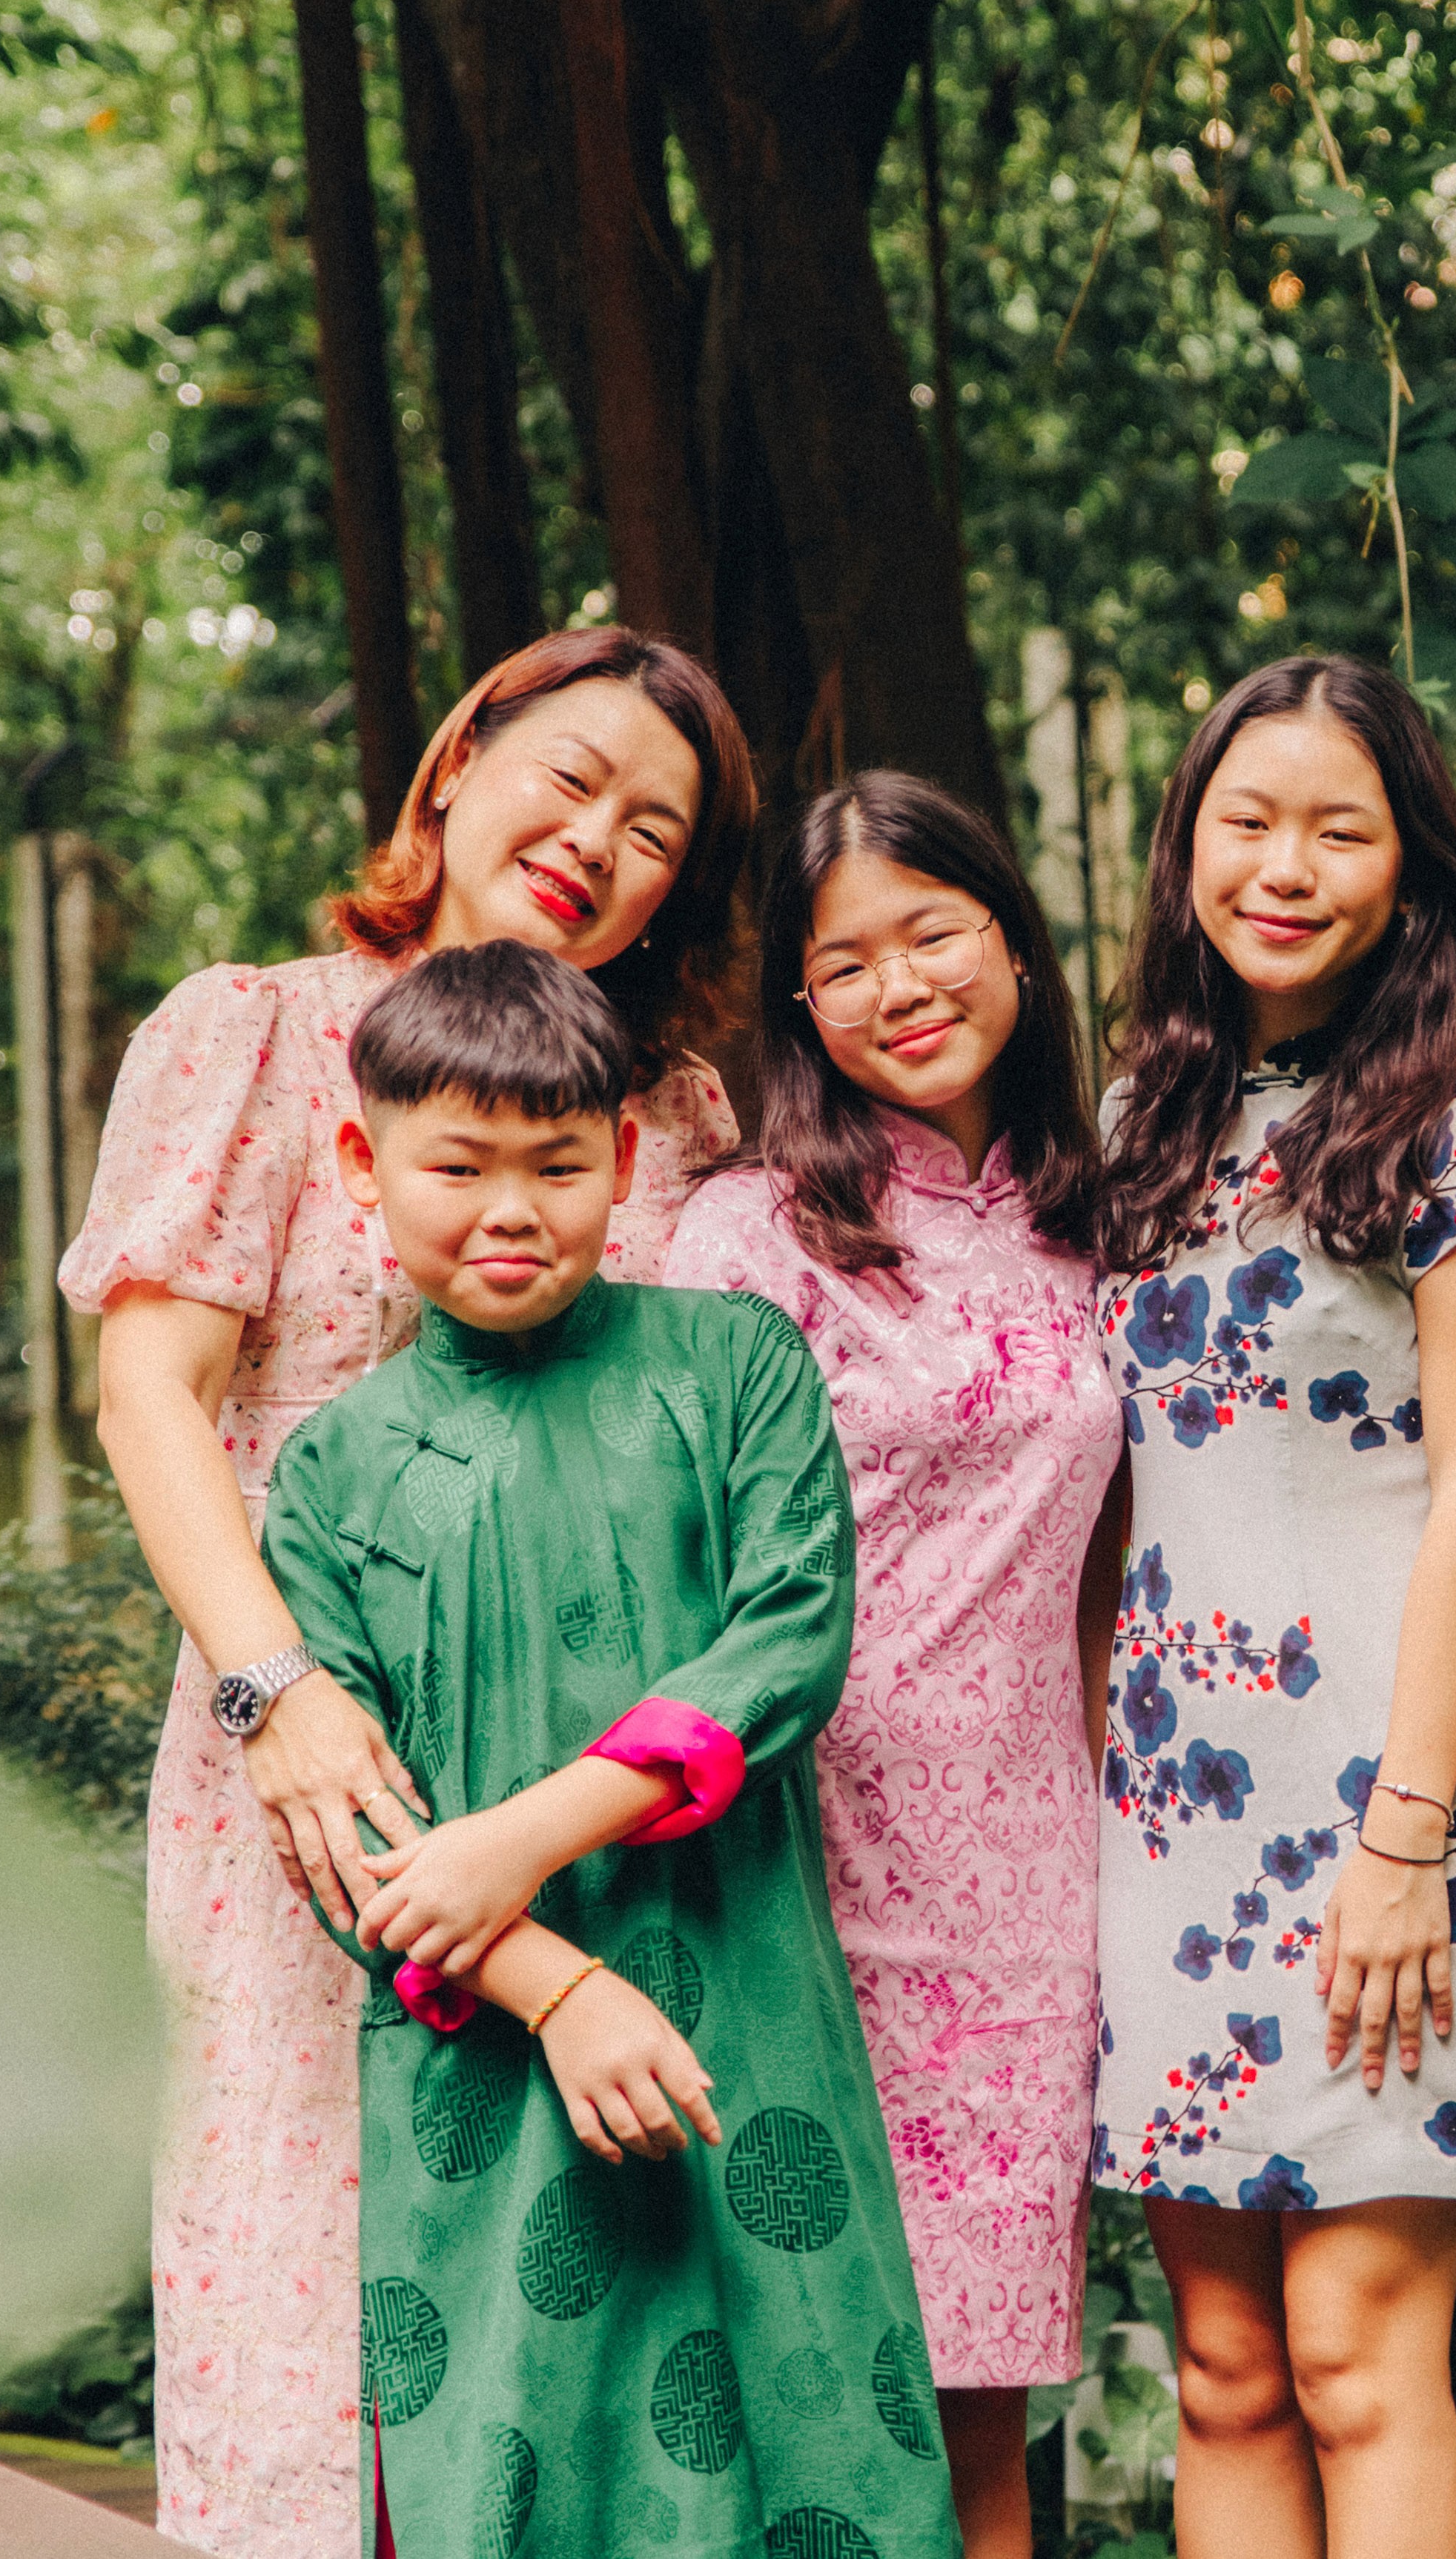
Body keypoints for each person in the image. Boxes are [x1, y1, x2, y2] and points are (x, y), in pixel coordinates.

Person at [59, 626, 755, 2559]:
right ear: (458, 758)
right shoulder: (258, 1031)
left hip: (580, 1789)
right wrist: (277, 1691)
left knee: (571, 2347)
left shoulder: (672, 1119)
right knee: (301, 2340)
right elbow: (153, 1389)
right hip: (303, 1751)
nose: (596, 839)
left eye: (655, 831)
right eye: (573, 776)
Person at [266, 940, 956, 2559]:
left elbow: (787, 1641)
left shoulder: (732, 1363)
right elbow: (344, 1834)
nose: (509, 1207)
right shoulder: (330, 1474)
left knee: (814, 2447)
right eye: (458, 1163)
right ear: (366, 1164)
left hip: (749, 2009)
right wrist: (558, 1986)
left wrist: (516, 1836)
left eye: (557, 1164)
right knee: (520, 2474)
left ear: (624, 1162)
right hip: (484, 2057)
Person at [1089, 654, 1456, 2559]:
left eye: (1340, 827)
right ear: (1187, 842)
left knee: (1361, 2354)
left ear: (1414, 871)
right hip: (1173, 1819)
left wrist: (1403, 1836)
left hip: (1387, 1803)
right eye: (1247, 818)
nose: (1284, 864)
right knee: (1219, 2361)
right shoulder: (1136, 1119)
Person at [658, 773, 1117, 2559]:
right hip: (789, 1867)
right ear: (798, 1007)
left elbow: (1113, 1569)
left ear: (1010, 936)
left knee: (967, 2410)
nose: (898, 983)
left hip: (1017, 1890)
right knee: (777, 2380)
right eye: (841, 961)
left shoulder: (1100, 1217)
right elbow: (688, 1573)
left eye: (932, 929)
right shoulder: (746, 1232)